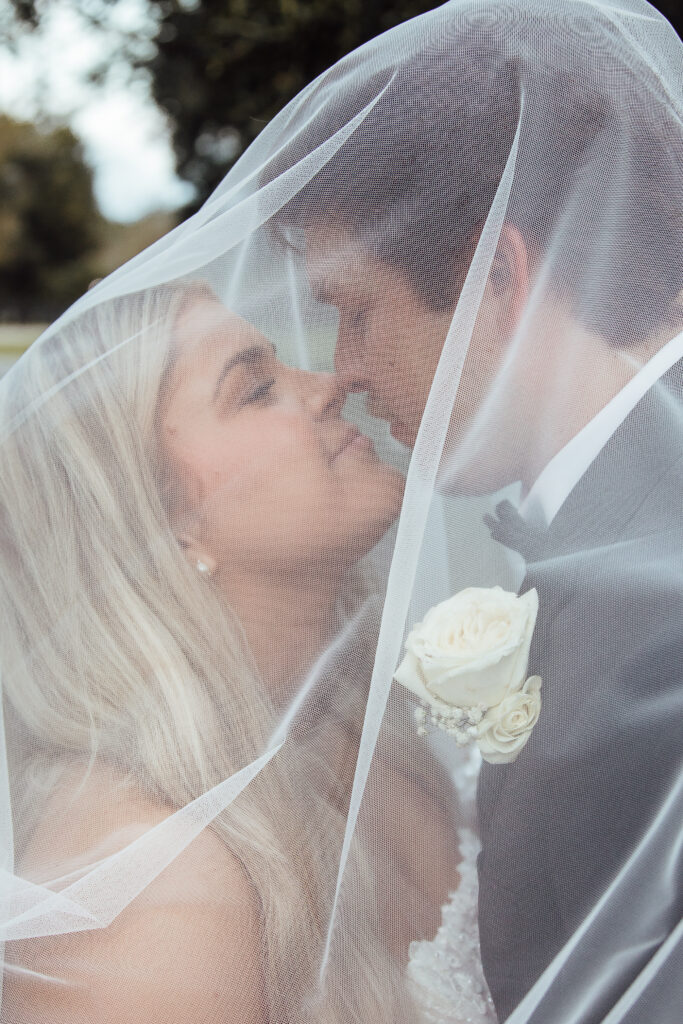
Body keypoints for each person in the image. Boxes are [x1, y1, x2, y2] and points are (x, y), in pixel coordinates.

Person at [271, 0, 683, 1020]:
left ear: (496, 272)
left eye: (357, 314)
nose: (346, 375)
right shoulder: (611, 522)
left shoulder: (652, 612)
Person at [0, 281, 461, 1023]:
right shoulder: (152, 895)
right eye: (255, 390)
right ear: (164, 522)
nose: (328, 385)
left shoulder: (362, 734)